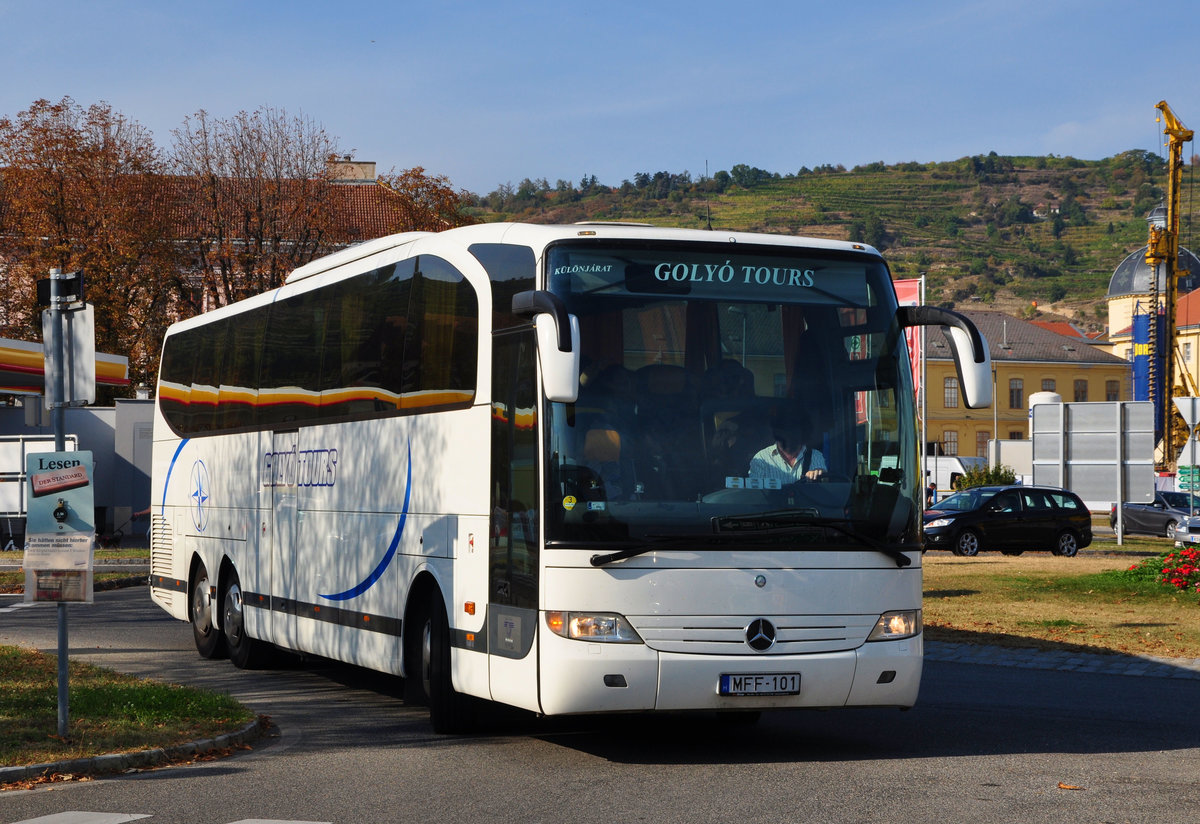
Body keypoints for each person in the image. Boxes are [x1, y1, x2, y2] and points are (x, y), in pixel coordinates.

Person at [748, 406, 826, 483]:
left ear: (804, 431)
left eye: (795, 428)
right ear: (776, 431)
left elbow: (824, 483)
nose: (790, 433)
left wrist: (817, 475)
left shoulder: (815, 456)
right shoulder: (762, 459)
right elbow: (754, 492)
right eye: (785, 427)